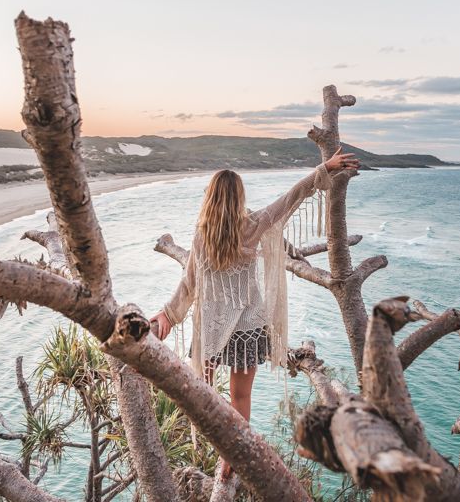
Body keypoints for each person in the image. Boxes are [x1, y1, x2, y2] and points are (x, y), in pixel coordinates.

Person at [150, 147, 359, 478]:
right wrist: (325, 168)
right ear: (237, 198)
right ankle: (231, 456)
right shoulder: (254, 224)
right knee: (240, 397)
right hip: (250, 327)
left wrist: (166, 315)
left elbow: (189, 284)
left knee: (201, 394)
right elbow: (291, 198)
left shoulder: (202, 235)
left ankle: (213, 447)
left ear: (211, 198)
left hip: (212, 327)